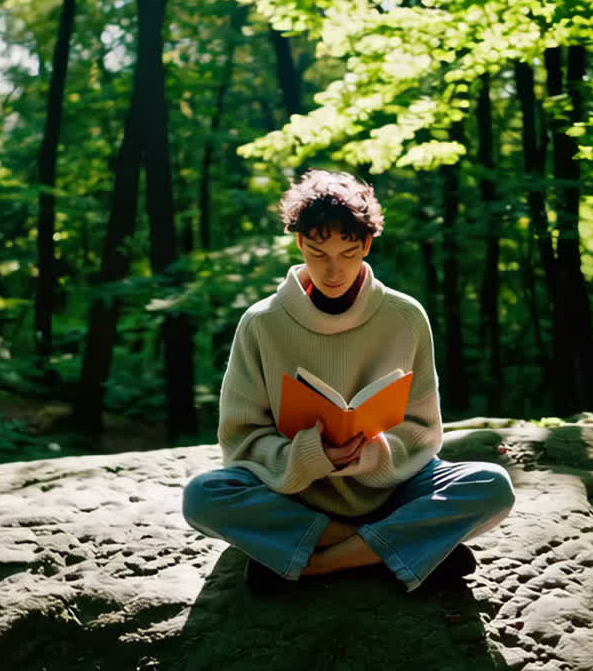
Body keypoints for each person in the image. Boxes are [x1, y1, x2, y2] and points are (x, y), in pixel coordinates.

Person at [182, 169, 514, 591]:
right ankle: (392, 550)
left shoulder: (406, 316)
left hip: (391, 489)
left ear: (367, 245)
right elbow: (241, 438)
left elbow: (423, 432)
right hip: (296, 493)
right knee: (203, 496)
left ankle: (317, 564)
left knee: (491, 486)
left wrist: (367, 454)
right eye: (318, 253)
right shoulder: (262, 322)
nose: (333, 270)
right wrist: (312, 454)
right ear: (300, 243)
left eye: (349, 253)